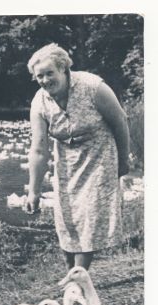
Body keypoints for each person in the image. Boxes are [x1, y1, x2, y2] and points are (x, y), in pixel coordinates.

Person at [25, 43, 131, 271]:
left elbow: (120, 121)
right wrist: (33, 191)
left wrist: (123, 159)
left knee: (89, 214)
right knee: (67, 216)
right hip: (66, 160)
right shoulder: (39, 102)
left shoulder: (93, 87)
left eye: (49, 73)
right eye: (39, 76)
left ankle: (79, 277)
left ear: (63, 69)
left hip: (99, 155)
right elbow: (38, 149)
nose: (45, 80)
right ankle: (71, 271)